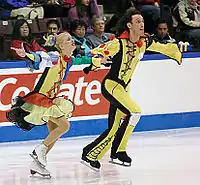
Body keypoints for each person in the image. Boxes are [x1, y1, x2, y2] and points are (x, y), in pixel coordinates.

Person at [81, 7, 182, 170]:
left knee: (115, 126)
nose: (141, 24)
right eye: (137, 21)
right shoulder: (118, 43)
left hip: (123, 89)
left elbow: (161, 47)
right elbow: (97, 53)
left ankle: (90, 155)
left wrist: (176, 52)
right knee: (134, 112)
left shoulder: (143, 43)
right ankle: (118, 152)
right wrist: (99, 60)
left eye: (142, 21)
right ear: (129, 25)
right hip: (112, 86)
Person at [6, 32, 86, 177]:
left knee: (54, 132)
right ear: (61, 45)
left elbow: (84, 59)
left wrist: (98, 59)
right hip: (40, 101)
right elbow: (40, 58)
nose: (72, 41)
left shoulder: (68, 61)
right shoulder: (55, 57)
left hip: (50, 100)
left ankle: (37, 164)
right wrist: (27, 55)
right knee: (64, 126)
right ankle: (40, 149)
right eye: (68, 40)